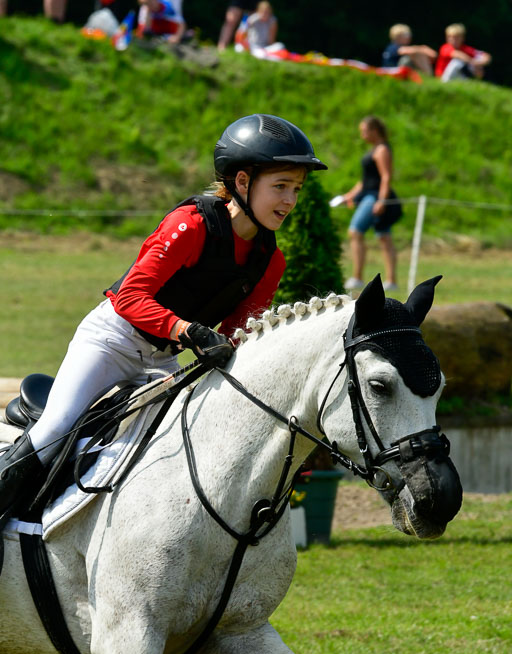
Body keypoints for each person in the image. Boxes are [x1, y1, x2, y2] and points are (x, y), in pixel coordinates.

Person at [0, 114, 327, 525]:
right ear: (242, 182)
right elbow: (130, 298)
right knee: (56, 429)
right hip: (112, 340)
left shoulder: (270, 260)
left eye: (296, 189)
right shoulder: (190, 226)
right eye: (280, 186)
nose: (289, 201)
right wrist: (188, 331)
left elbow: (238, 336)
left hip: (161, 362)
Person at [330, 116, 401, 292]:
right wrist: (350, 195)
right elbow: (365, 180)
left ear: (374, 131)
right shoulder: (375, 149)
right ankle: (391, 280)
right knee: (384, 236)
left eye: (364, 130)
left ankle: (358, 277)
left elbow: (386, 177)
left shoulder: (382, 150)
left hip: (375, 197)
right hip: (368, 194)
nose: (362, 134)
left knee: (355, 231)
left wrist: (382, 200)